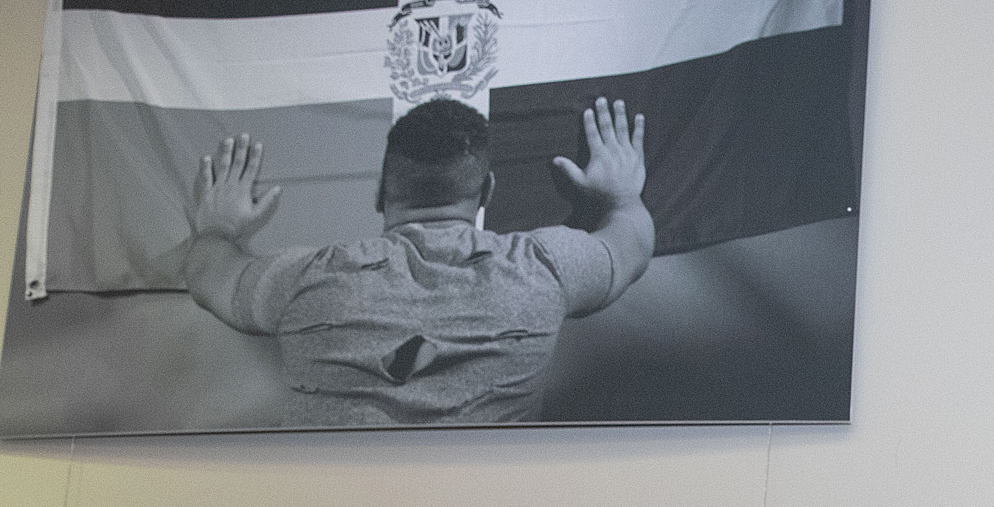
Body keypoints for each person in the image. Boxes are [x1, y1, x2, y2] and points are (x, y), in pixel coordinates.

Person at [184, 97, 653, 425]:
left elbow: (208, 276)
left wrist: (218, 229)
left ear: (379, 193)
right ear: (486, 191)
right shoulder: (544, 266)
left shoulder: (306, 279)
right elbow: (629, 248)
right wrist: (622, 198)